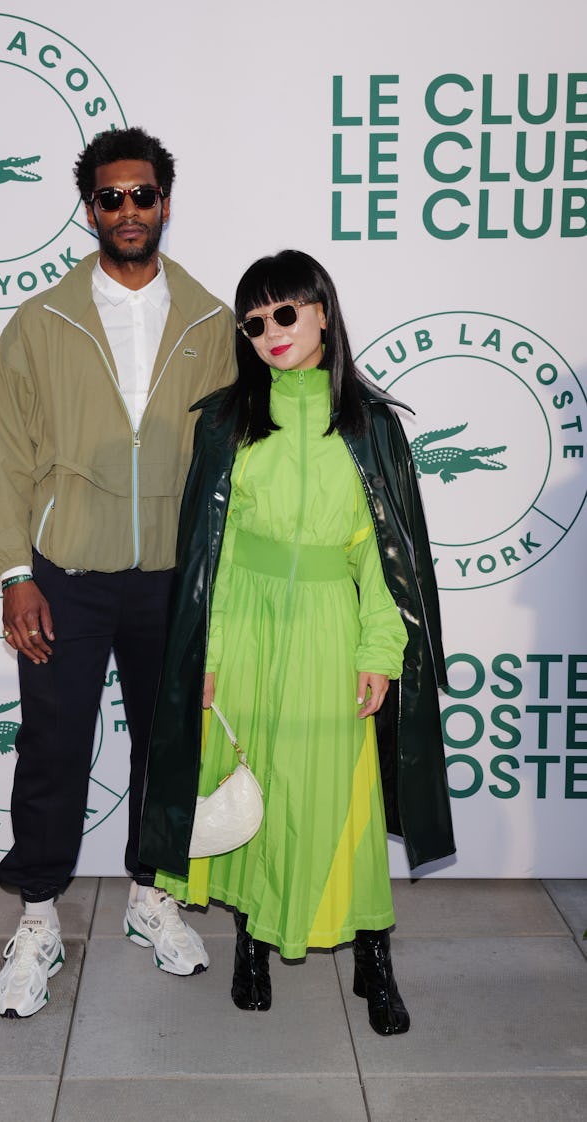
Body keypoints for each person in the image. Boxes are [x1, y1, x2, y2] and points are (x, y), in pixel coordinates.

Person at [140, 249, 455, 1035]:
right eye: (254, 322)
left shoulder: (373, 426)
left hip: (327, 627)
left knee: (344, 801)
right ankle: (250, 941)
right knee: (257, 788)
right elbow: (209, 553)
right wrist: (204, 660)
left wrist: (381, 652)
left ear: (322, 311)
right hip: (243, 627)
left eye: (285, 313)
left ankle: (373, 957)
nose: (270, 332)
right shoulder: (226, 420)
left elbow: (383, 556)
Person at [0, 127, 236, 1018]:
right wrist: (15, 572)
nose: (129, 211)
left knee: (168, 750)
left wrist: (223, 578)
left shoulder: (211, 319)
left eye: (144, 195)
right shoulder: (39, 323)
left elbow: (238, 461)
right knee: (52, 747)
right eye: (111, 197)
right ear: (90, 210)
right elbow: (5, 456)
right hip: (67, 575)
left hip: (170, 576)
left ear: (166, 203)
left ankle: (150, 896)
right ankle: (40, 917)